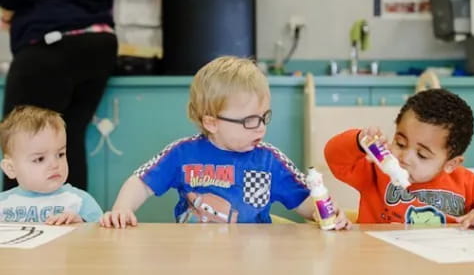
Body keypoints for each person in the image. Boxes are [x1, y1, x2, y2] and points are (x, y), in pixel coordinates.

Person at [100, 56, 351, 228]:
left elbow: (307, 203)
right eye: (250, 120)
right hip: (194, 261)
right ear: (211, 122)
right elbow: (141, 183)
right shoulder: (182, 154)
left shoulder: (269, 160)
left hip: (253, 262)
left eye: (264, 117)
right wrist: (122, 209)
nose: (261, 127)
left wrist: (326, 213)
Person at [0, 0, 118, 191]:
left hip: (51, 45)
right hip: (100, 44)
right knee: (65, 141)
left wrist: (6, 11)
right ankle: (72, 224)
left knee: (22, 140)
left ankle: (20, 227)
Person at [324, 88, 474, 228]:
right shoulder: (377, 171)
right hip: (377, 257)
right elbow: (334, 157)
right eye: (400, 143)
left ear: (451, 163)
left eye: (422, 155)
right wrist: (359, 141)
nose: (405, 158)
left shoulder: (466, 183)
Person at [0, 105, 103, 224]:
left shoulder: (80, 201)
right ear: (11, 169)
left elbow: (103, 236)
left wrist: (81, 224)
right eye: (39, 159)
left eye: (60, 154)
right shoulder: (3, 204)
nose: (55, 165)